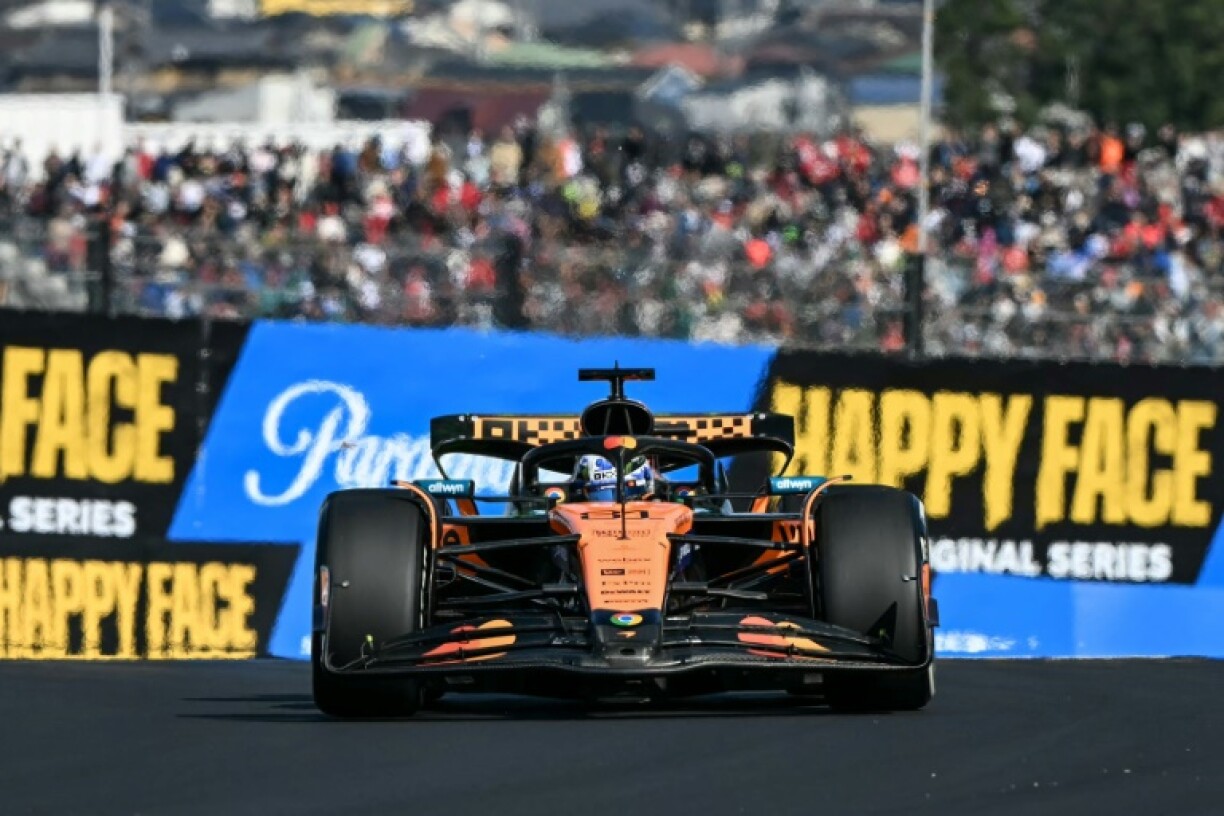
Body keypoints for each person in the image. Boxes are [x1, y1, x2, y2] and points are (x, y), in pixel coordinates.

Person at [571, 454, 656, 502]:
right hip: (601, 502)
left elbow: (576, 483)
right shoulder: (586, 457)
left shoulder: (586, 457)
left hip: (634, 499)